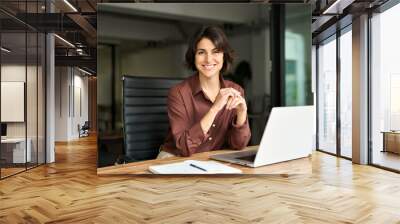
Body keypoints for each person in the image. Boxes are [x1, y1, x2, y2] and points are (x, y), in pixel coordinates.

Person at [158, 26, 251, 158]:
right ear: (194, 56)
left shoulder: (236, 91)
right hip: (174, 159)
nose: (208, 59)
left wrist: (241, 115)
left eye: (215, 52)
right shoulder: (178, 93)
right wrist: (214, 109)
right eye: (201, 52)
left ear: (224, 56)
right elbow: (184, 148)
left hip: (212, 160)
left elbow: (238, 145)